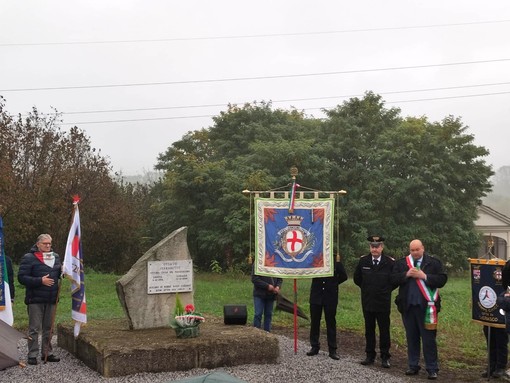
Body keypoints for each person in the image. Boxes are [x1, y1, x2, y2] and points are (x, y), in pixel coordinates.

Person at [391, 239, 447, 380]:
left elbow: (442, 280)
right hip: (408, 307)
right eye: (412, 250)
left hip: (427, 309)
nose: (415, 252)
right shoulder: (402, 263)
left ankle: (432, 368)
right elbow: (392, 279)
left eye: (417, 249)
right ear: (409, 250)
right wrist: (406, 275)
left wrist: (425, 276)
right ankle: (413, 365)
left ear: (423, 248)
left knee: (429, 340)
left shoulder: (433, 263)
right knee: (412, 338)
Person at [18, 234, 62, 365]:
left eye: (49, 243)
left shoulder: (56, 257)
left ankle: (47, 353)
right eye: (45, 244)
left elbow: (58, 273)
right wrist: (40, 281)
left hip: (51, 298)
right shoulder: (29, 258)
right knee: (34, 328)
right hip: (35, 299)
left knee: (49, 328)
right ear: (38, 244)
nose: (48, 246)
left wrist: (64, 271)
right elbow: (21, 277)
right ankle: (32, 354)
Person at [353, 235, 396, 368]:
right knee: (369, 330)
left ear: (382, 247)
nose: (375, 249)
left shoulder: (389, 262)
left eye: (377, 246)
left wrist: (385, 290)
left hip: (383, 302)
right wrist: (367, 289)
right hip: (368, 301)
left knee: (384, 330)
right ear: (369, 247)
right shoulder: (363, 261)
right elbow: (357, 279)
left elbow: (394, 281)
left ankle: (385, 356)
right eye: (372, 246)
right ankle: (369, 355)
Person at [306, 259, 348, 360]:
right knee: (315, 322)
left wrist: (333, 283)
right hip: (316, 295)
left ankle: (332, 349)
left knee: (331, 322)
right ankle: (314, 346)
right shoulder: (316, 258)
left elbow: (344, 276)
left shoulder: (336, 261)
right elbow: (308, 271)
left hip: (330, 296)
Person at [482, 259, 510, 379]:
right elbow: (505, 283)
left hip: (503, 308)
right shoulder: (508, 264)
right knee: (491, 337)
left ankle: (500, 366)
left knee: (501, 339)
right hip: (498, 301)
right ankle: (491, 365)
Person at [251, 264, 282, 332]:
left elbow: (280, 278)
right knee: (258, 314)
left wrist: (277, 287)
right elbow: (254, 279)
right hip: (259, 293)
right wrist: (267, 286)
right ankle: (256, 333)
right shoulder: (258, 262)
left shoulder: (275, 263)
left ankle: (267, 333)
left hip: (271, 295)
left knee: (268, 314)